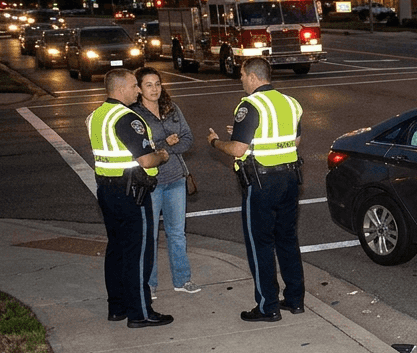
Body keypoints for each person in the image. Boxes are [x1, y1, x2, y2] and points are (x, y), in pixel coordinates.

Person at [205, 57, 304, 323]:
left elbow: (238, 149)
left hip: (261, 183)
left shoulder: (249, 105)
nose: (240, 80)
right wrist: (249, 135)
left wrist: (216, 143)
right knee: (287, 240)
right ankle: (295, 300)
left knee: (260, 245)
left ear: (252, 77)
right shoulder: (290, 103)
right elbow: (293, 140)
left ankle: (267, 306)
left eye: (241, 75)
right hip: (290, 179)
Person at [87, 69, 173, 327]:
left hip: (107, 189)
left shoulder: (96, 116)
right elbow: (146, 159)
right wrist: (162, 156)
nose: (138, 90)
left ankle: (117, 307)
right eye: (135, 86)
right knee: (138, 252)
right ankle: (141, 312)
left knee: (116, 249)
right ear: (120, 89)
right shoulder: (126, 118)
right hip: (132, 192)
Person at [132, 67, 199, 296]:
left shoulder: (172, 108)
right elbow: (138, 148)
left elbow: (188, 138)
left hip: (175, 179)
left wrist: (165, 149)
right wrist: (166, 143)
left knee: (177, 233)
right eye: (149, 85)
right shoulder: (133, 114)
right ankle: (149, 284)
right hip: (150, 183)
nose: (155, 89)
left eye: (158, 84)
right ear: (139, 88)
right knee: (149, 234)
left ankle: (182, 280)